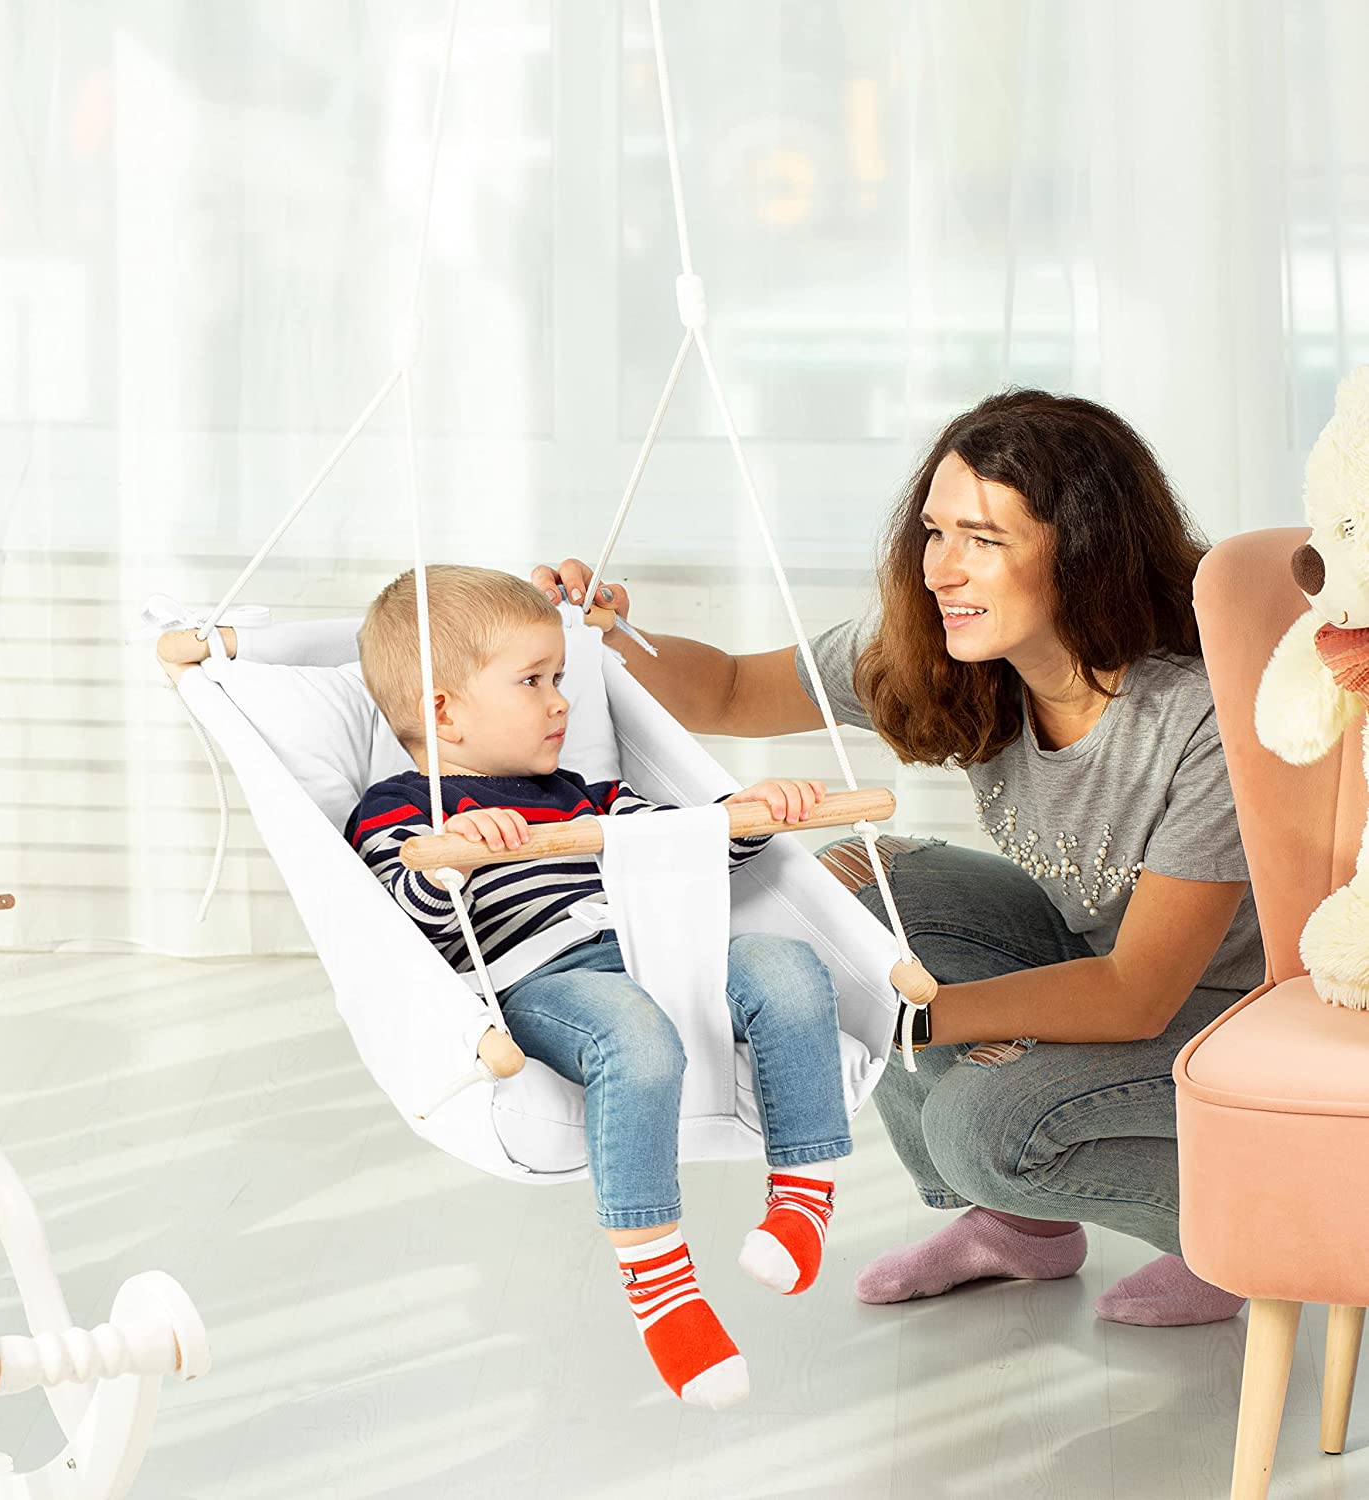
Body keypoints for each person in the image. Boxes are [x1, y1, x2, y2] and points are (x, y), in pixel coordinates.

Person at [532, 388, 1265, 1328]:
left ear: (1084, 553)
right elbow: (728, 689)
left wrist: (905, 1018)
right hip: (1106, 956)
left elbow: (1136, 993)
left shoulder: (1200, 716)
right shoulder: (947, 650)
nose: (941, 571)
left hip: (1238, 1011)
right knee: (856, 888)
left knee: (980, 1123)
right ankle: (1022, 1230)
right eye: (935, 531)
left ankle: (1229, 1235)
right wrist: (603, 638)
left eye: (984, 540)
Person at [344, 564, 853, 1408]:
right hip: (538, 981)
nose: (561, 703)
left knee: (789, 968)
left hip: (657, 951)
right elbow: (405, 924)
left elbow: (689, 845)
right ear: (443, 712)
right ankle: (664, 1290)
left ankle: (803, 1195)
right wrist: (459, 854)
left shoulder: (582, 795)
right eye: (533, 682)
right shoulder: (399, 809)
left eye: (560, 679)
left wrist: (752, 811)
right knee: (635, 1039)